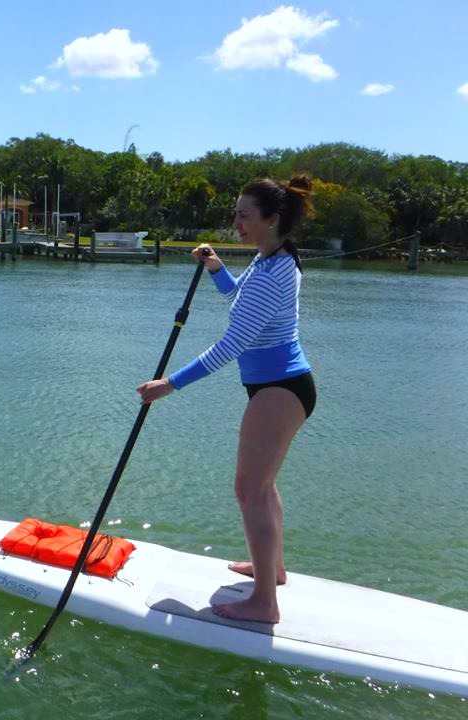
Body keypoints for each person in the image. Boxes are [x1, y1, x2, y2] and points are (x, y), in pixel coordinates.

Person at [137, 176, 317, 624]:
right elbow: (240, 300)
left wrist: (170, 384)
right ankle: (271, 570)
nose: (236, 222)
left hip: (280, 389)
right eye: (235, 213)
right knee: (262, 486)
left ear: (272, 220)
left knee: (249, 489)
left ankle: (263, 604)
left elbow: (231, 345)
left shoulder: (273, 272)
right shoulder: (270, 261)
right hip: (281, 387)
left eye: (244, 215)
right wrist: (218, 270)